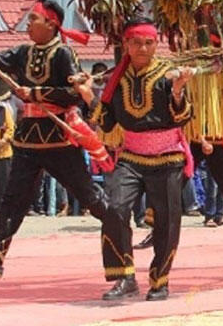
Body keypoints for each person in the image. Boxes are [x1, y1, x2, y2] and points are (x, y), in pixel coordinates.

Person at [0, 0, 123, 286]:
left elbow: (74, 94)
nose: (28, 25)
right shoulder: (23, 52)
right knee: (12, 201)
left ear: (51, 24)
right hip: (28, 140)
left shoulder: (64, 54)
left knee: (92, 199)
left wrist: (36, 93)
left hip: (60, 141)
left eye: (33, 20)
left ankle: (120, 259)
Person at [79, 17, 195, 301]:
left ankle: (160, 280)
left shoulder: (169, 76)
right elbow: (106, 124)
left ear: (156, 44)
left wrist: (178, 90)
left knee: (166, 221)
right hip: (131, 156)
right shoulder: (116, 81)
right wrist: (87, 97)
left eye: (148, 42)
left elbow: (184, 116)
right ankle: (124, 277)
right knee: (114, 209)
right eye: (136, 42)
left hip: (167, 157)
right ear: (126, 44)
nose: (142, 48)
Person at [0, 87, 14, 214]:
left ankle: (0, 213)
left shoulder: (4, 110)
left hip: (3, 154)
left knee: (2, 185)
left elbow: (11, 128)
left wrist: (3, 141)